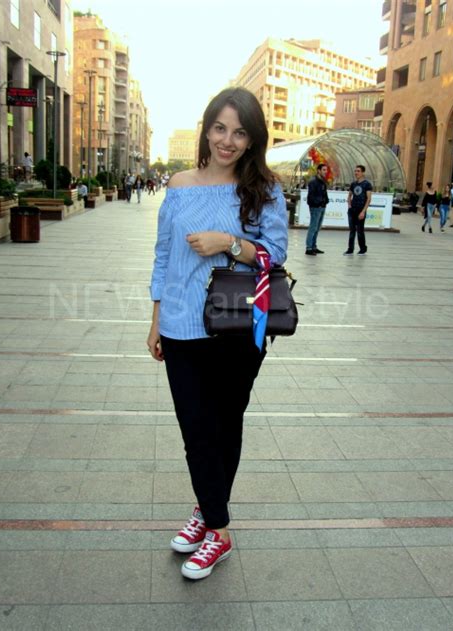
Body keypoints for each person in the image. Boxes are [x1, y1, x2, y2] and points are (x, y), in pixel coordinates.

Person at [147, 87, 288, 581]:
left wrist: (229, 243)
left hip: (236, 324)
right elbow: (164, 255)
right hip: (182, 324)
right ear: (207, 129)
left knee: (224, 425)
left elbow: (276, 254)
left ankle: (216, 529)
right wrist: (155, 319)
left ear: (252, 140)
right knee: (194, 429)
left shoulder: (264, 189)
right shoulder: (180, 184)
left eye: (240, 132)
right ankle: (213, 517)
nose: (228, 141)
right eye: (220, 128)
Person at [344, 165, 372, 255]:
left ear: (363, 172)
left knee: (360, 230)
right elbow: (349, 195)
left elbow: (368, 199)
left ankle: (363, 248)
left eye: (358, 171)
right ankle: (350, 249)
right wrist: (349, 205)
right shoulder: (353, 184)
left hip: (361, 210)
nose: (356, 173)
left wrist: (363, 211)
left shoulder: (367, 184)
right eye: (355, 171)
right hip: (352, 210)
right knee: (352, 230)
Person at [305, 163, 329, 255]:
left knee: (317, 227)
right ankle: (309, 247)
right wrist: (317, 203)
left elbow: (324, 193)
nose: (325, 172)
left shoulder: (322, 181)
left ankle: (314, 246)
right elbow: (311, 196)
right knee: (313, 227)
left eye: (326, 170)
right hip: (316, 207)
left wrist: (325, 201)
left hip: (322, 206)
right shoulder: (313, 182)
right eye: (323, 170)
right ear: (318, 170)